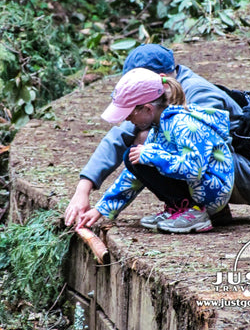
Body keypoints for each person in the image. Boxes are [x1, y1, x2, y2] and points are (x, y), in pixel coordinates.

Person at [64, 44, 250, 228]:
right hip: (205, 169)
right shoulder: (160, 113)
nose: (127, 119)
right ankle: (184, 207)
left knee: (145, 146)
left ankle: (199, 211)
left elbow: (201, 163)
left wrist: (153, 155)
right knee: (139, 151)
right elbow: (119, 138)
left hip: (235, 175)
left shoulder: (195, 101)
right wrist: (95, 201)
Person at [77, 68, 234, 233]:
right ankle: (179, 207)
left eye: (130, 115)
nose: (127, 120)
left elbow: (194, 169)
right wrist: (101, 209)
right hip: (196, 187)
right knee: (133, 158)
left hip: (212, 190)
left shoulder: (184, 125)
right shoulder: (159, 128)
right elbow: (134, 176)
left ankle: (193, 212)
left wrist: (152, 155)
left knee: (143, 156)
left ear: (148, 109)